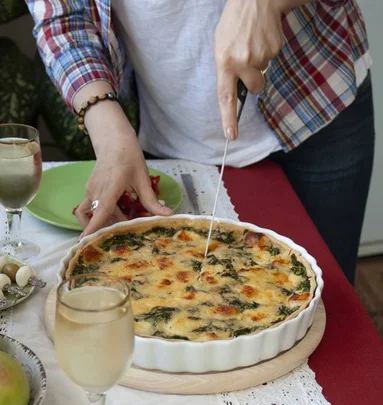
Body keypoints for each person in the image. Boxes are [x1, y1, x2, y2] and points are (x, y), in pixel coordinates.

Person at [26, 0, 374, 284]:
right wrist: (110, 133)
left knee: (329, 306)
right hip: (166, 135)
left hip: (319, 105)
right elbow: (63, 18)